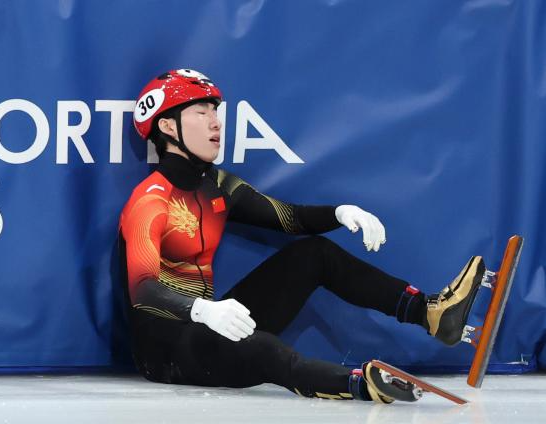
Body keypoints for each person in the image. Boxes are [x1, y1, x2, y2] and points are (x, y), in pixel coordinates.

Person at [118, 69, 485, 403]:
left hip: (211, 323)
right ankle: (357, 383)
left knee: (314, 254)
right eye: (201, 112)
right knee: (262, 348)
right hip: (165, 351)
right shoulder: (150, 200)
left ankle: (430, 313)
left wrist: (339, 212)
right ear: (168, 127)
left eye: (215, 111)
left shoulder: (218, 185)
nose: (215, 122)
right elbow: (142, 288)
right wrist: (204, 310)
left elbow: (289, 218)